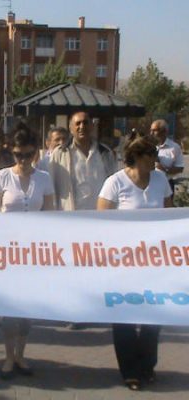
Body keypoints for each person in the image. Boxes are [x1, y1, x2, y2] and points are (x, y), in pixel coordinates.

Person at [97, 133, 173, 391]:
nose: (156, 160)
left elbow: (170, 215)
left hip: (155, 261)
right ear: (137, 157)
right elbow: (101, 222)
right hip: (124, 263)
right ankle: (129, 370)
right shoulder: (114, 183)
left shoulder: (160, 180)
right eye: (151, 155)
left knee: (154, 315)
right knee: (125, 316)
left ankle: (147, 365)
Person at [0, 122, 55, 380]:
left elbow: (50, 216)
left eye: (28, 154)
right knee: (9, 310)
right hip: (7, 252)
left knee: (27, 311)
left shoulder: (44, 178)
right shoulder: (3, 176)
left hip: (33, 253)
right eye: (18, 154)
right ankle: (8, 356)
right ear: (12, 152)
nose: (23, 160)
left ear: (35, 152)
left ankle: (20, 354)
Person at [48, 111, 116, 211]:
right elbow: (51, 187)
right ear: (71, 128)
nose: (82, 126)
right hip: (70, 215)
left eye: (85, 122)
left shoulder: (105, 153)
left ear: (92, 126)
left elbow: (113, 185)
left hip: (100, 214)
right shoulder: (60, 153)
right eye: (78, 123)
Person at [150, 119, 184, 190]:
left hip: (166, 184)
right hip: (148, 183)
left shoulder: (174, 147)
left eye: (154, 130)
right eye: (151, 130)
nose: (151, 133)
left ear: (164, 131)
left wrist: (164, 169)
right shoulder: (146, 146)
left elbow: (180, 168)